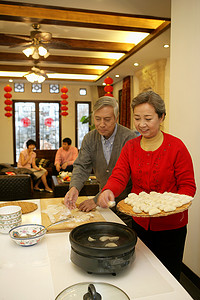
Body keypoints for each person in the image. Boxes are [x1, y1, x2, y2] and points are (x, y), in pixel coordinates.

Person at [97, 91, 196, 280]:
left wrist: (169, 205)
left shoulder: (176, 147)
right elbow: (119, 175)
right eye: (137, 118)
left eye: (148, 118)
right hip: (140, 222)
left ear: (161, 117)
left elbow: (188, 186)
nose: (142, 124)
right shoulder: (131, 147)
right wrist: (109, 190)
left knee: (169, 275)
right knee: (142, 273)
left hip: (171, 227)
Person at [64, 96, 137, 227]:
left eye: (107, 119)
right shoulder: (90, 138)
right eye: (97, 119)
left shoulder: (129, 138)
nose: (101, 124)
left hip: (127, 203)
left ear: (116, 118)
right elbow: (81, 166)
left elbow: (127, 176)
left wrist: (95, 200)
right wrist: (74, 188)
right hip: (104, 204)